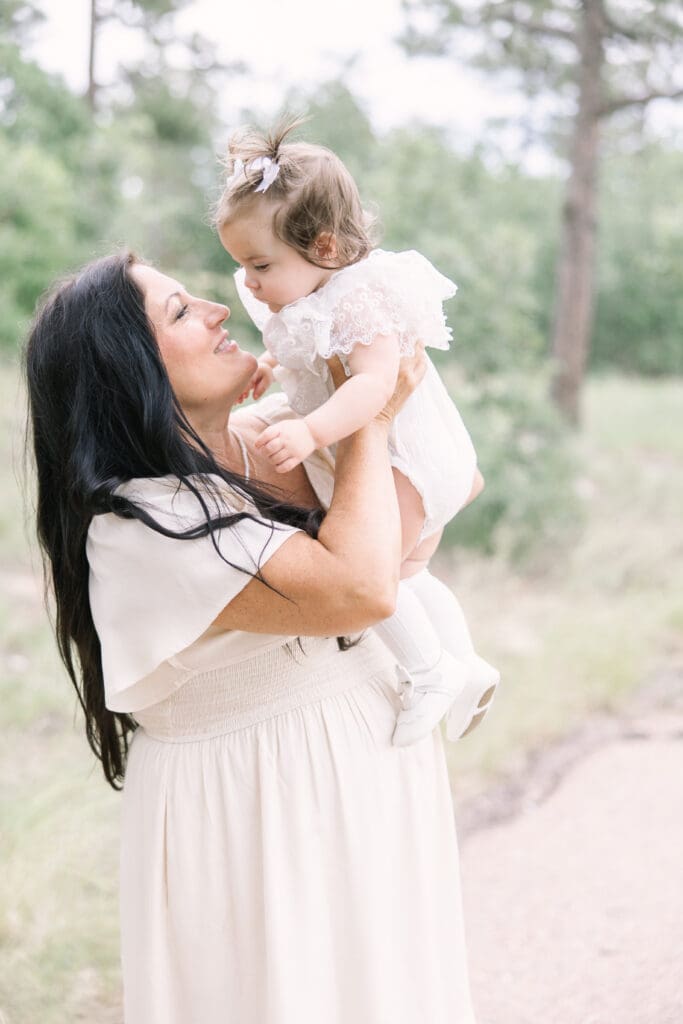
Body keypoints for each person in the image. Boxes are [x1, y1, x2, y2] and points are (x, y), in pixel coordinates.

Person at [25, 251, 478, 1023]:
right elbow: (363, 588)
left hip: (368, 771)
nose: (216, 309)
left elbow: (449, 488)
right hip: (259, 804)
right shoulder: (147, 521)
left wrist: (352, 376)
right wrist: (365, 416)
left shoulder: (268, 432)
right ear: (126, 371)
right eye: (179, 313)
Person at [214, 120, 499, 748]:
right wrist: (269, 368)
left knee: (376, 575)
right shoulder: (305, 300)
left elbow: (374, 385)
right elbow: (315, 367)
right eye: (241, 266)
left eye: (260, 265)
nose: (251, 283)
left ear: (323, 247)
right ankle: (466, 663)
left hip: (406, 457)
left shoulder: (357, 300)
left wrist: (310, 428)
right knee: (413, 574)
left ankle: (430, 674)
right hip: (390, 457)